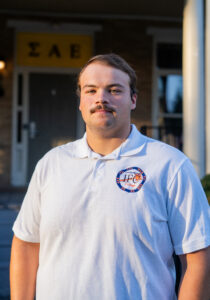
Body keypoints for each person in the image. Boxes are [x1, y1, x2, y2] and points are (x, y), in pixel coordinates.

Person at [10, 53, 210, 300]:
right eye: (90, 90)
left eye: (114, 90)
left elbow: (197, 256)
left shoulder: (170, 165)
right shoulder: (51, 164)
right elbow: (27, 244)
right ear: (80, 101)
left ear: (133, 99)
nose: (101, 99)